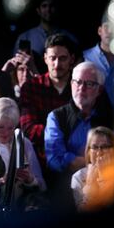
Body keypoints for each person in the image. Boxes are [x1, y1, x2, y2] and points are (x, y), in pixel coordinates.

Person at [45, 61, 114, 209]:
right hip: (65, 193)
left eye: (89, 84)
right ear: (71, 84)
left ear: (99, 90)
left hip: (108, 191)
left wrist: (74, 160)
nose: (81, 88)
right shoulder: (56, 117)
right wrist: (93, 162)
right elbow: (54, 159)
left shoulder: (113, 117)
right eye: (78, 82)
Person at [19, 34, 77, 166]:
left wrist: (50, 133)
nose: (57, 64)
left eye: (62, 58)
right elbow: (28, 129)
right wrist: (65, 133)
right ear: (45, 58)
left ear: (72, 59)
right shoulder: (31, 87)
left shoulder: (81, 86)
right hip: (40, 162)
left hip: (76, 161)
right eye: (52, 58)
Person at [71, 126, 114, 211]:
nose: (99, 152)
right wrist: (91, 186)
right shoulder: (78, 177)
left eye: (105, 146)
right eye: (95, 147)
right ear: (88, 152)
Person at [83, 18, 114, 106]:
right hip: (94, 114)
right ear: (99, 31)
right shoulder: (85, 57)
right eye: (106, 26)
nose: (110, 31)